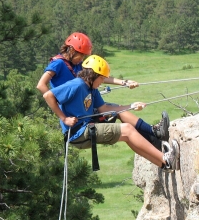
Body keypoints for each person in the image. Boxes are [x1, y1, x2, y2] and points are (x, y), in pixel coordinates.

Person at [43, 55, 180, 172]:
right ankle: (165, 159)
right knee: (127, 130)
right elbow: (48, 96)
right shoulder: (76, 85)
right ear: (93, 76)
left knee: (120, 117)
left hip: (86, 127)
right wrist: (64, 119)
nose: (103, 81)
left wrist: (131, 106)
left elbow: (104, 108)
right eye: (101, 78)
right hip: (77, 133)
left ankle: (160, 150)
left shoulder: (92, 88)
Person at [37, 32, 170, 151]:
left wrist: (124, 82)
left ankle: (154, 134)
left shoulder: (77, 64)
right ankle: (154, 135)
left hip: (85, 102)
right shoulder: (58, 64)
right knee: (116, 111)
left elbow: (97, 75)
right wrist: (59, 105)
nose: (82, 59)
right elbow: (41, 85)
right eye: (81, 55)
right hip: (74, 108)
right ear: (72, 50)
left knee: (117, 109)